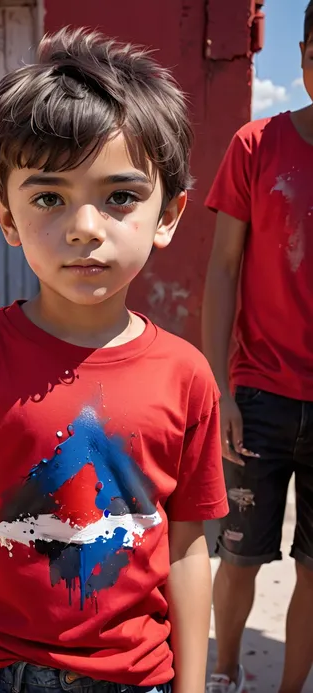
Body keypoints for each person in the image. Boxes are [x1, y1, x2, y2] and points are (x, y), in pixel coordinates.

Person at [0, 27, 228, 693]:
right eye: (49, 197)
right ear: (6, 216)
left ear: (169, 213)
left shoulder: (187, 376)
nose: (84, 226)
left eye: (120, 196)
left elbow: (188, 549)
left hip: (139, 676)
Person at [202, 3, 313, 692]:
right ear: (303, 56)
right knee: (238, 557)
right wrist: (219, 389)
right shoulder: (256, 145)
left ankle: (291, 684)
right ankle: (223, 671)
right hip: (260, 395)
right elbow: (221, 270)